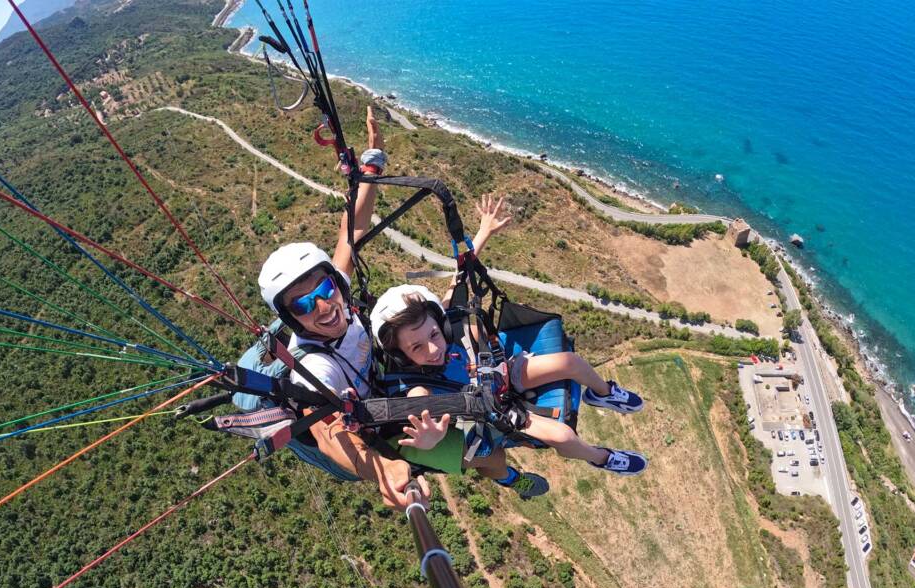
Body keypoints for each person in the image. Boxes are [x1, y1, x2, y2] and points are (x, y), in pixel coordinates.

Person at [369, 195, 649, 483]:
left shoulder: (443, 321)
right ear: (402, 355)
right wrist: (430, 437)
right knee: (563, 434)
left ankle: (601, 393)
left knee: (571, 362)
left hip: (502, 372)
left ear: (440, 325)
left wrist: (484, 231)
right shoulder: (417, 388)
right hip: (500, 410)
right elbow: (418, 408)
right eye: (416, 347)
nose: (433, 348)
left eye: (434, 335)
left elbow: (461, 277)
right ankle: (600, 457)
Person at [257, 107, 431, 510]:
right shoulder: (316, 368)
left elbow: (351, 232)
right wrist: (382, 470)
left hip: (375, 389)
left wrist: (373, 161)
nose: (323, 305)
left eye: (324, 287)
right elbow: (325, 431)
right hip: (356, 439)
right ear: (290, 319)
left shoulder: (338, 292)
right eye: (303, 303)